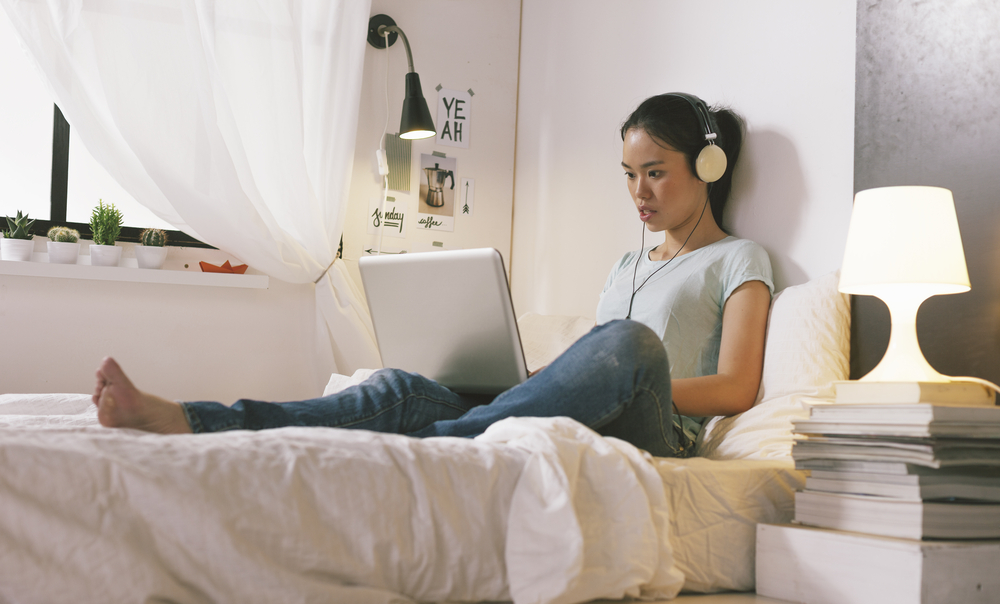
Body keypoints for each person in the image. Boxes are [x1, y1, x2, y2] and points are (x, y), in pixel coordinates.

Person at [93, 93, 773, 458]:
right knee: (400, 387)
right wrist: (555, 378)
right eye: (629, 175)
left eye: (655, 172)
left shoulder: (740, 258)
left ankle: (432, 448)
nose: (639, 192)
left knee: (630, 343)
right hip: (591, 409)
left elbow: (738, 387)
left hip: (660, 434)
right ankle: (191, 420)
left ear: (706, 169)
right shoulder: (627, 263)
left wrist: (620, 373)